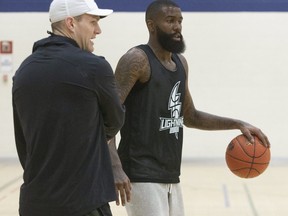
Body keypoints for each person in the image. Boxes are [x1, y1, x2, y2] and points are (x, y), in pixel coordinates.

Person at [109, 0, 271, 215]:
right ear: (151, 25)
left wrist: (238, 124)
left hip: (171, 174)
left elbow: (190, 116)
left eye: (180, 21)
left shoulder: (181, 63)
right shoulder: (137, 60)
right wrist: (115, 166)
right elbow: (107, 115)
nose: (177, 27)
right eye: (170, 21)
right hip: (140, 173)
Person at [12, 0, 125, 216]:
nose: (98, 30)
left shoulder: (23, 72)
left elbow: (23, 144)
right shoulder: (94, 67)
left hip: (34, 204)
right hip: (83, 203)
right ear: (71, 23)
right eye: (93, 22)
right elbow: (116, 120)